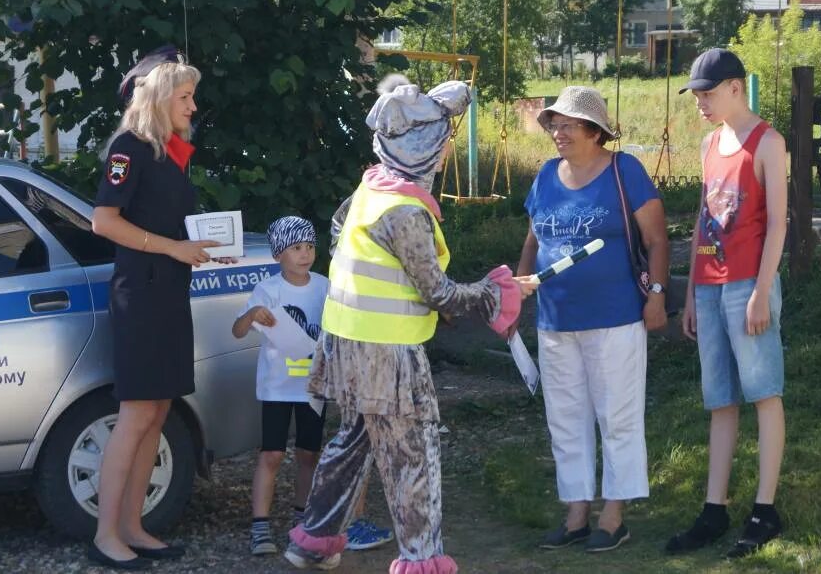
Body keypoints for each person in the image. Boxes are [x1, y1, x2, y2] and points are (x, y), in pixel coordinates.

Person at [284, 75, 534, 573]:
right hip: (389, 355)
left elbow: (341, 239)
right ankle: (421, 561)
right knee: (413, 458)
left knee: (351, 442)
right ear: (423, 152)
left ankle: (313, 538)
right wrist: (497, 291)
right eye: (439, 147)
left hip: (347, 346)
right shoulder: (404, 212)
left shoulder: (368, 189)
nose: (443, 157)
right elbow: (438, 294)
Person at [514, 85, 669, 554]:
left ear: (593, 130)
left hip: (617, 316)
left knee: (617, 416)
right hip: (555, 318)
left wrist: (657, 296)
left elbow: (658, 239)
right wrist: (519, 284)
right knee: (565, 418)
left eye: (567, 124)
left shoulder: (625, 170)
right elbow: (533, 240)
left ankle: (614, 514)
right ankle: (576, 512)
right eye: (554, 124)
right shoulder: (544, 176)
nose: (558, 132)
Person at [89, 51, 220, 570]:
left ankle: (132, 526)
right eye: (185, 96)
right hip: (141, 294)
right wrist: (171, 248)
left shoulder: (168, 152)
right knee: (138, 412)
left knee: (159, 410)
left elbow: (163, 223)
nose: (193, 105)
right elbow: (104, 221)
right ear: (159, 98)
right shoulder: (129, 148)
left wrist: (200, 243)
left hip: (166, 291)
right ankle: (106, 535)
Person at [667, 48, 788, 559]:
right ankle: (713, 508)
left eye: (708, 93)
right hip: (711, 286)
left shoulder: (769, 142)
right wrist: (693, 288)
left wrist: (762, 290)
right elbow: (702, 219)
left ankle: (765, 509)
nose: (700, 102)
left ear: (736, 87)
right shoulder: (709, 143)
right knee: (719, 398)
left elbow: (779, 223)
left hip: (748, 285)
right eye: (695, 95)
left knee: (764, 393)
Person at [232, 216, 331, 556]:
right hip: (277, 387)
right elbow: (238, 330)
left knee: (309, 453)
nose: (304, 254)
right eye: (295, 248)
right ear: (278, 255)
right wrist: (253, 314)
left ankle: (302, 521)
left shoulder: (324, 286)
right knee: (272, 454)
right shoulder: (267, 290)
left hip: (314, 387)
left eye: (309, 247)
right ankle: (260, 526)